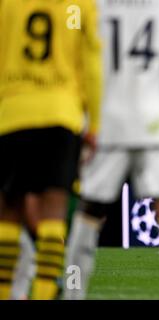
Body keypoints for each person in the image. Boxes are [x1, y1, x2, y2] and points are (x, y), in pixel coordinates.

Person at [64, 0, 159, 300]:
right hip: (154, 122)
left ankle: (72, 293)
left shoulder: (90, 4)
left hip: (106, 122)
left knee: (88, 214)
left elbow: (73, 56)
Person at [0, 0, 101, 300]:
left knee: (8, 213)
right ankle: (45, 294)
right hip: (61, 113)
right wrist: (95, 121)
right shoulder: (81, 4)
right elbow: (93, 63)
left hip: (13, 111)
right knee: (53, 213)